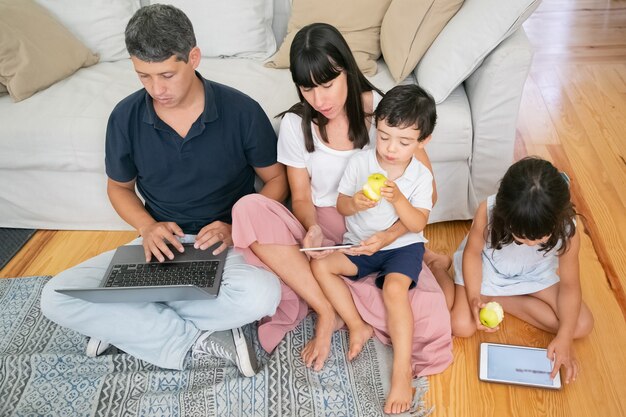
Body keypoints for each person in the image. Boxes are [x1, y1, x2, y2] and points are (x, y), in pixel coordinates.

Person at [39, 4, 288, 377]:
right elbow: (119, 188)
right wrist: (146, 226)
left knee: (264, 295)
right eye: (144, 76)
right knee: (54, 297)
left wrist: (233, 227)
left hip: (225, 246)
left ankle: (124, 323)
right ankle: (198, 341)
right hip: (158, 248)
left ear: (193, 57)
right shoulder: (125, 117)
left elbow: (277, 180)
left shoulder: (241, 111)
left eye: (167, 75)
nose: (157, 89)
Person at [232, 22, 451, 380]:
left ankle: (329, 291)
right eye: (308, 88)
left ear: (346, 70)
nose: (320, 99)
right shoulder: (295, 123)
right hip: (323, 231)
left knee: (431, 323)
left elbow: (428, 192)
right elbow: (300, 196)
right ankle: (329, 311)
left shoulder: (383, 115)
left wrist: (387, 238)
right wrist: (312, 229)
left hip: (375, 238)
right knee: (248, 210)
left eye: (328, 83)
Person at [310, 84, 436, 415]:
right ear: (375, 127)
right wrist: (356, 202)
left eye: (404, 142)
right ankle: (356, 324)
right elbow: (341, 205)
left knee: (395, 290)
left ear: (423, 142)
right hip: (361, 244)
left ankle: (401, 371)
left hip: (402, 247)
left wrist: (399, 200)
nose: (391, 148)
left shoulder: (419, 175)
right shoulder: (361, 162)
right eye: (384, 136)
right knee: (321, 266)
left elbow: (418, 223)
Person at [447, 157, 594, 384]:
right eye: (522, 236)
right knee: (462, 326)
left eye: (538, 238)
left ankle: (498, 299)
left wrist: (565, 338)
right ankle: (486, 294)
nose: (530, 243)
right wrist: (474, 298)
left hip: (534, 275)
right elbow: (472, 254)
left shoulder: (567, 230)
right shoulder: (488, 211)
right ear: (505, 212)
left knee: (581, 324)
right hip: (489, 268)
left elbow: (569, 285)